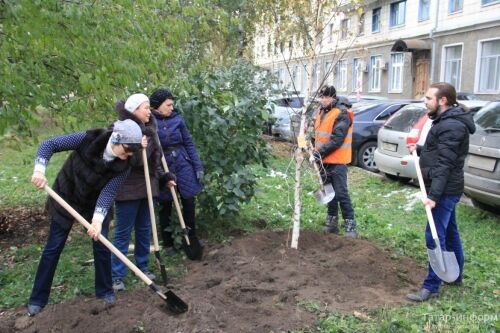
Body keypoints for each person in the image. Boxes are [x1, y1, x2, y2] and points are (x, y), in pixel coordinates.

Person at [27, 119, 145, 316]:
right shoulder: (88, 139)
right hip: (67, 194)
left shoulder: (125, 164)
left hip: (95, 203)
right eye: (126, 150)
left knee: (102, 245)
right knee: (53, 247)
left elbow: (109, 192)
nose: (128, 156)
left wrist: (97, 221)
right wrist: (39, 170)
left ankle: (105, 291)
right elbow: (49, 144)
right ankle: (37, 299)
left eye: (132, 152)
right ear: (116, 138)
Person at [406, 82, 475, 302]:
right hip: (445, 187)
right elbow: (439, 153)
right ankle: (455, 276)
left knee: (434, 235)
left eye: (428, 98)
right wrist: (418, 150)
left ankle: (432, 286)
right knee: (450, 232)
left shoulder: (452, 125)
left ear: (442, 100)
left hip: (444, 190)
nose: (425, 102)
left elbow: (445, 163)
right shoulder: (446, 121)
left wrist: (433, 196)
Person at [111, 93, 175, 291]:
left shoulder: (150, 128)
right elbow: (120, 160)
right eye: (145, 107)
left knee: (144, 229)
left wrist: (164, 178)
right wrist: (138, 148)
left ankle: (143, 267)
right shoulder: (119, 129)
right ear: (134, 110)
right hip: (127, 188)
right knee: (123, 232)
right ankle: (117, 275)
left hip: (148, 187)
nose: (149, 111)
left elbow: (154, 161)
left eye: (149, 107)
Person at [149, 88, 204, 256]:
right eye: (168, 105)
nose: (172, 108)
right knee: (165, 205)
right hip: (163, 165)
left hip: (182, 163)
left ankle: (191, 239)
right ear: (158, 106)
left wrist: (198, 166)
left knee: (188, 202)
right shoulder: (150, 122)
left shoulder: (177, 119)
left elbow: (188, 143)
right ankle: (168, 243)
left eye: (172, 104)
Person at [310, 85, 358, 238]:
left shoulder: (342, 114)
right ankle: (332, 222)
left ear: (333, 98)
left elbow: (337, 139)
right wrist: (312, 147)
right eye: (321, 97)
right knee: (329, 193)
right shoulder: (320, 112)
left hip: (337, 161)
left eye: (326, 97)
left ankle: (350, 226)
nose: (322, 100)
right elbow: (319, 135)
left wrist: (318, 154)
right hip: (323, 161)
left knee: (341, 193)